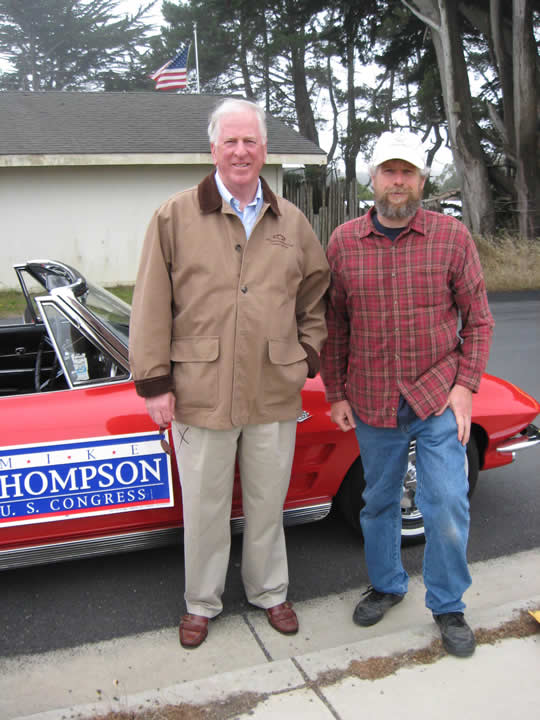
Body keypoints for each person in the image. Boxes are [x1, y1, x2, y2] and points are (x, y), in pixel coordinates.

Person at [129, 98, 330, 649]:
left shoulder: (290, 221)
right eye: (230, 141)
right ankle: (202, 601)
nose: (241, 151)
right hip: (199, 390)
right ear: (213, 148)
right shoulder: (174, 216)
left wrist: (307, 354)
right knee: (205, 506)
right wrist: (154, 382)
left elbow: (316, 294)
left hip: (273, 388)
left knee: (269, 502)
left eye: (251, 141)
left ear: (264, 150)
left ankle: (270, 590)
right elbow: (150, 303)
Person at [320, 130, 494, 658]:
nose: (398, 182)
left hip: (435, 395)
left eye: (408, 172)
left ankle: (447, 604)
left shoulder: (451, 238)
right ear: (371, 179)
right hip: (372, 399)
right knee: (378, 503)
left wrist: (465, 386)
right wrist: (335, 392)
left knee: (445, 500)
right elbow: (336, 325)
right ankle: (388, 584)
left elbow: (479, 321)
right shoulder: (344, 243)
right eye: (388, 172)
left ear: (421, 181)